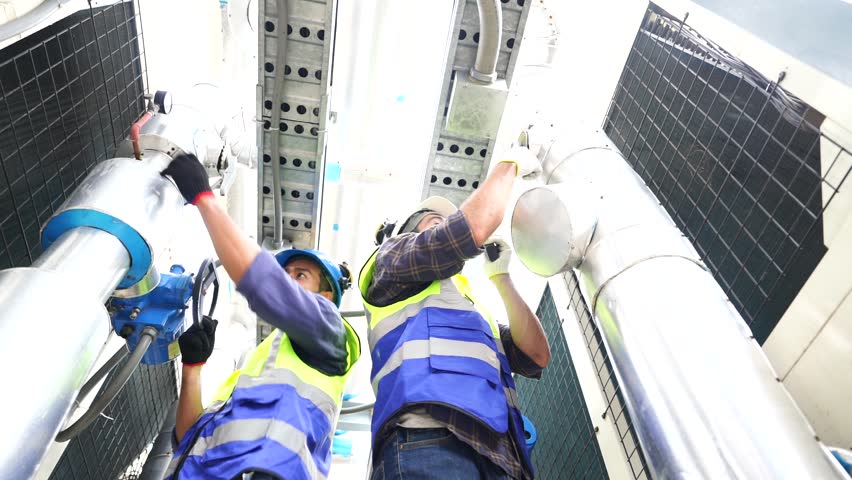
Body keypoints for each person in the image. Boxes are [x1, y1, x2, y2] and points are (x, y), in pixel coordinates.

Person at [160, 153, 361, 480]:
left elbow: (265, 283)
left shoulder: (330, 334)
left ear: (326, 297)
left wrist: (205, 199)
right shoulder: (255, 373)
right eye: (285, 273)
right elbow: (188, 441)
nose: (287, 279)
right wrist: (193, 368)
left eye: (300, 275)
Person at [359, 143, 551, 479]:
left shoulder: (472, 310)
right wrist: (510, 163)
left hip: (502, 457)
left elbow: (535, 355)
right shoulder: (393, 261)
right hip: (429, 437)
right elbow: (469, 230)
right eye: (435, 222)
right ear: (409, 231)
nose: (444, 225)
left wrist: (501, 278)